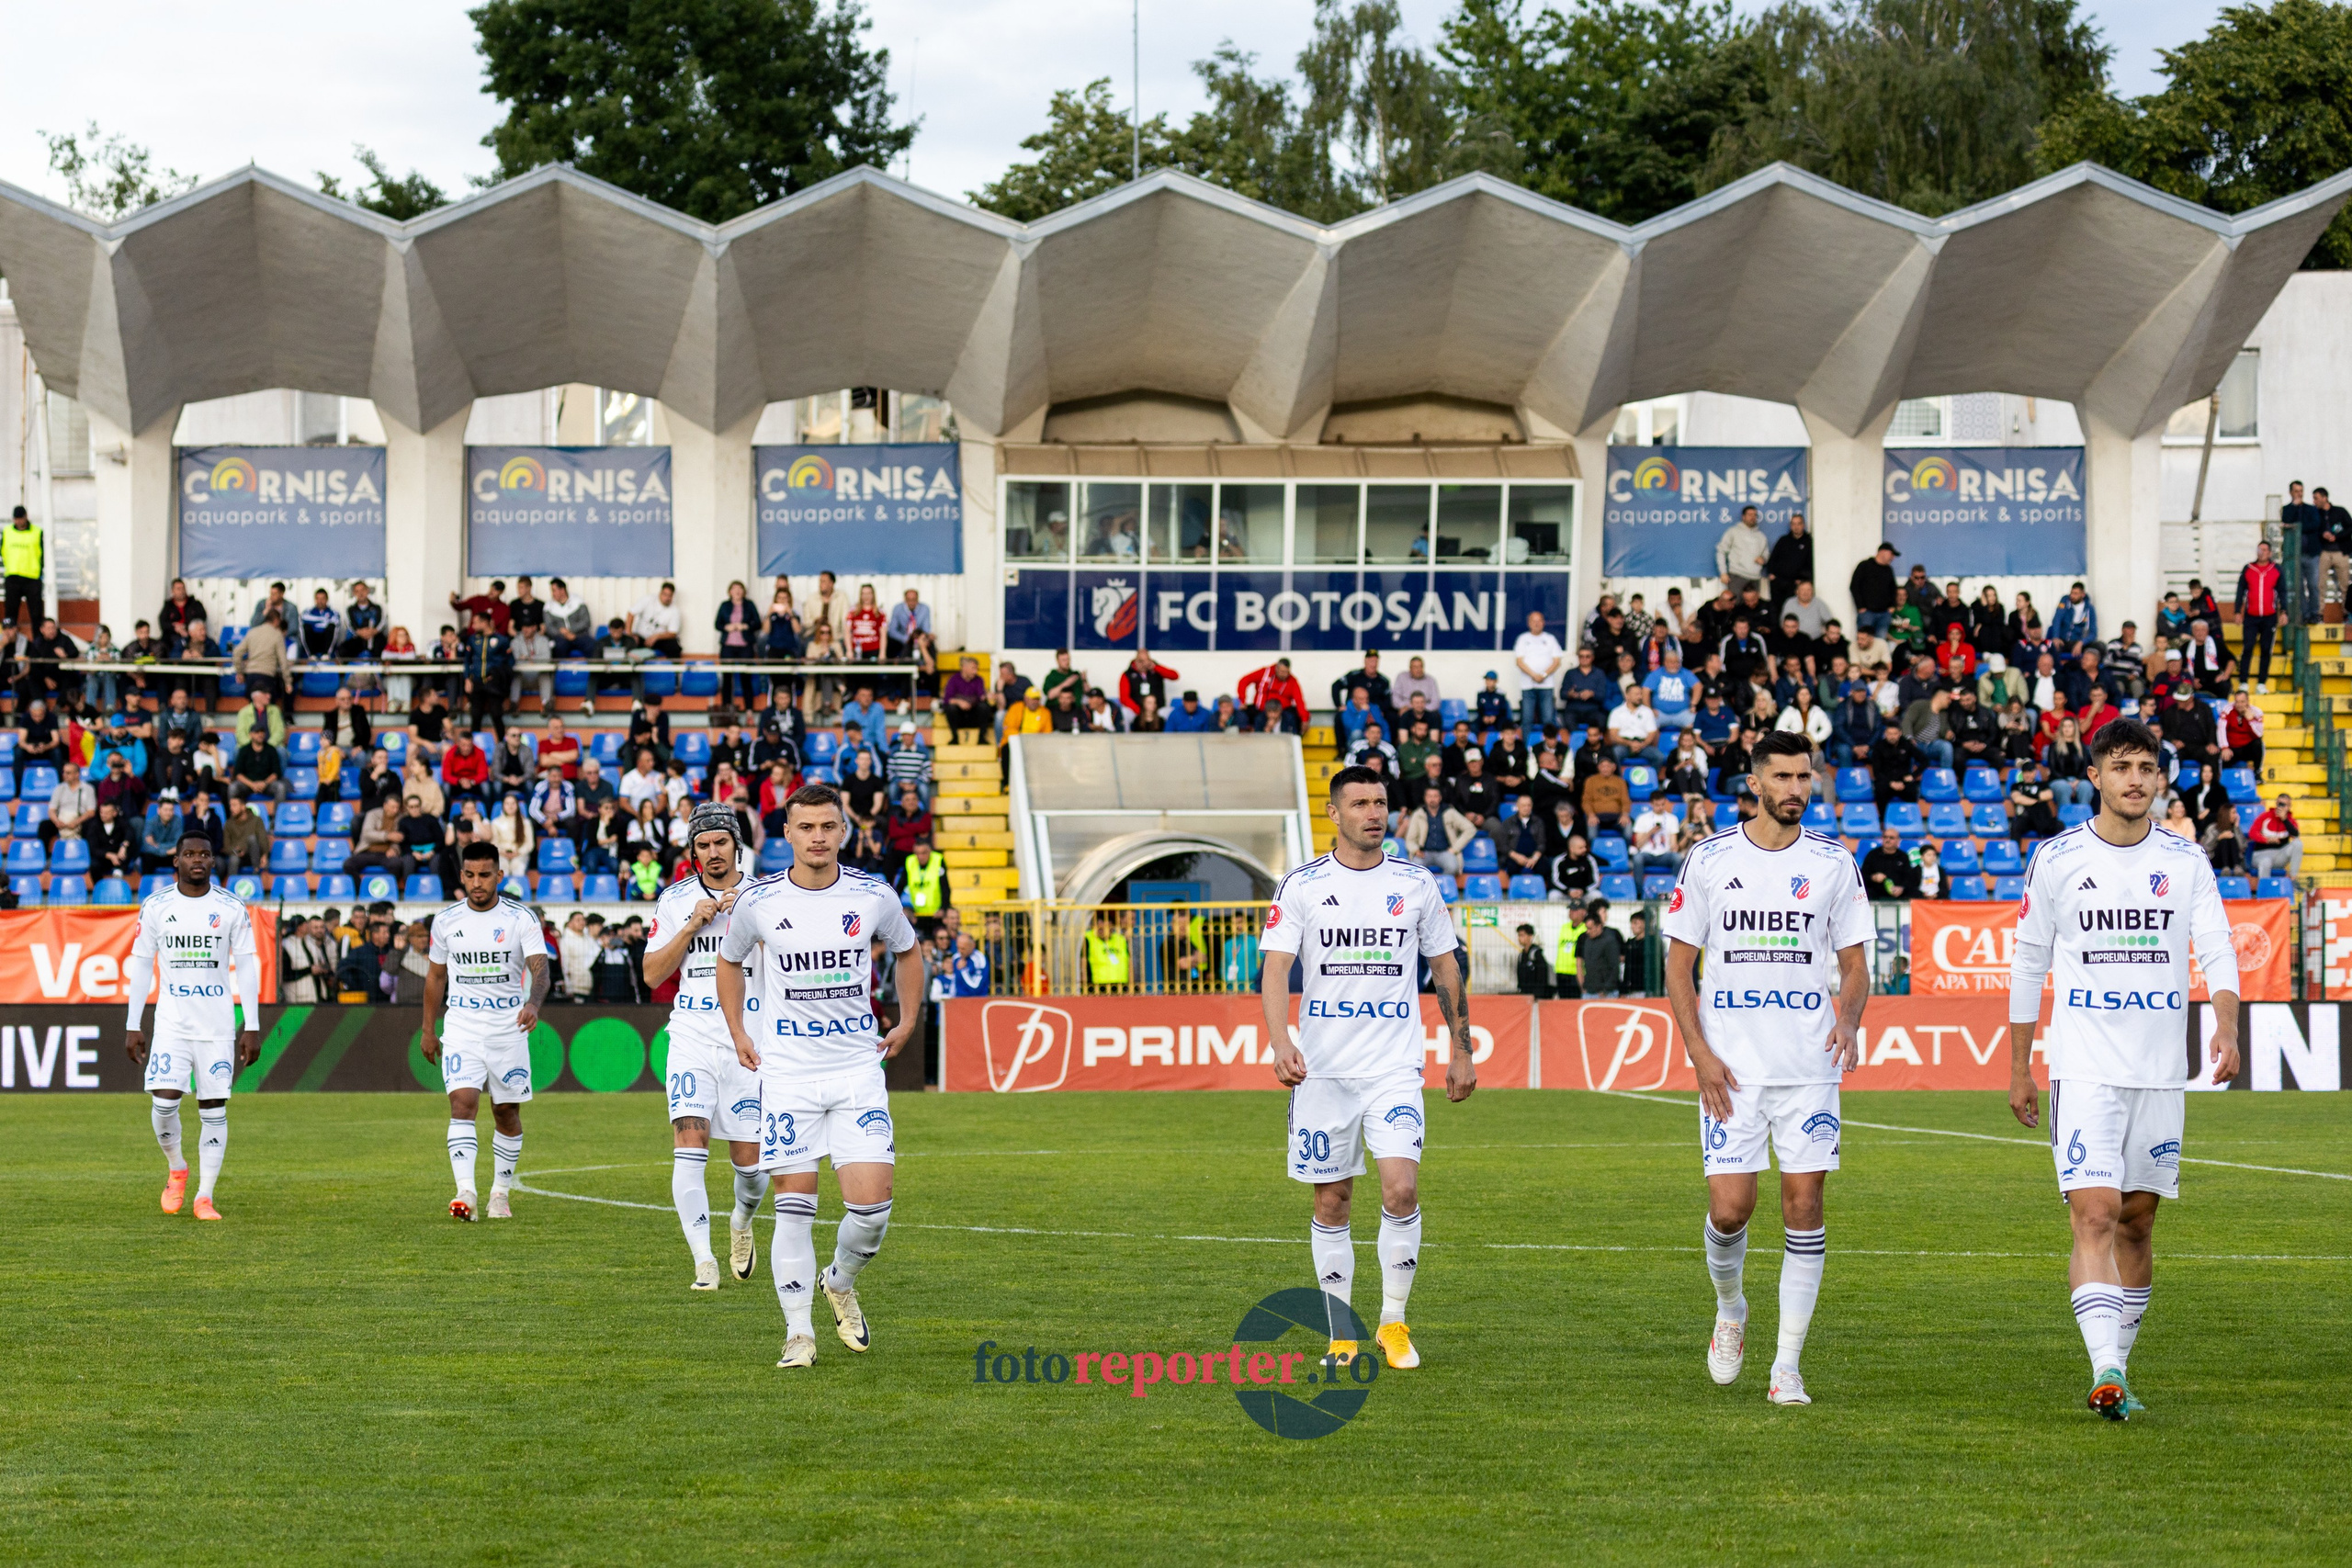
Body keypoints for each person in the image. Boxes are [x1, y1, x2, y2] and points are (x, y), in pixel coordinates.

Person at [2005, 716, 2242, 1420]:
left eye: (2146, 767)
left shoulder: (2187, 861)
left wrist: (2226, 1022)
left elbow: (2219, 950)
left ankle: (2120, 1371)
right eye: (2121, 766)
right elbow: (2028, 962)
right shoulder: (2057, 859)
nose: (2134, 778)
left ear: (2158, 777)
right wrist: (2020, 1067)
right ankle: (2105, 1367)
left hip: (2160, 1070)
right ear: (2097, 777)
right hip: (2083, 1066)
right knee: (2097, 1211)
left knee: (2138, 1221)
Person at [1661, 729, 1871, 1407]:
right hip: (1733, 1070)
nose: (1794, 790)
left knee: (1804, 1205)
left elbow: (1856, 963)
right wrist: (1699, 1054)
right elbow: (1677, 965)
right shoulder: (1710, 859)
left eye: (1804, 777)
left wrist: (1849, 1018)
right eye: (1781, 777)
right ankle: (1731, 1309)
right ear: (1755, 783)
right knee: (1730, 1209)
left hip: (1809, 1066)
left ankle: (1787, 1367)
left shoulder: (1836, 863)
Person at [1261, 765, 1474, 1374]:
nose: (1373, 812)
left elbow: (1446, 967)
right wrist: (1282, 1043)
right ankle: (1341, 1332)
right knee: (1333, 1199)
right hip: (1323, 1072)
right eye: (1359, 803)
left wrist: (1462, 1049)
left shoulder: (1415, 884)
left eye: (1380, 802)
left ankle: (1394, 1322)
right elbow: (1276, 971)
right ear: (1334, 813)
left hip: (1393, 1067)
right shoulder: (1302, 885)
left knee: (1401, 1188)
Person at [715, 783, 924, 1371]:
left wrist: (908, 1020)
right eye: (805, 828)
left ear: (842, 830)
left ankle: (840, 1279)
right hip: (788, 1075)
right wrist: (738, 1032)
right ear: (788, 834)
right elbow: (728, 963)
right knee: (794, 1207)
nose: (818, 837)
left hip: (857, 1069)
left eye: (828, 826)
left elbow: (908, 952)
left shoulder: (873, 894)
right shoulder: (759, 901)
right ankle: (798, 1334)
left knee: (872, 1210)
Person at [643, 803, 770, 1292]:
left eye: (721, 843)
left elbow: (787, 965)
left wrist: (750, 925)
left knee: (751, 1168)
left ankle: (741, 1220)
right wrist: (691, 925)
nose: (713, 853)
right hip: (692, 1038)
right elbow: (653, 973)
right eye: (703, 845)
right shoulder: (676, 900)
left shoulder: (767, 895)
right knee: (689, 1145)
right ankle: (704, 1261)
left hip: (750, 1043)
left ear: (736, 846)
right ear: (692, 852)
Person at [124, 829, 262, 1223]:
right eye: (189, 854)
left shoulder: (232, 907)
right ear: (177, 861)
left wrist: (250, 1024)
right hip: (171, 1024)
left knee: (212, 1108)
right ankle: (177, 1168)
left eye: (204, 854)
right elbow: (140, 965)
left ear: (213, 861)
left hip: (217, 1025)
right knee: (164, 1103)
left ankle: (205, 1195)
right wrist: (132, 1024)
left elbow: (248, 966)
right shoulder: (155, 906)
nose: (197, 860)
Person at [422, 840, 552, 1224]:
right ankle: (466, 1192)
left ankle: (499, 1192)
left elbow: (541, 970)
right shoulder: (446, 921)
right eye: (470, 875)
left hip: (507, 1029)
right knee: (462, 1103)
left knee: (505, 1111)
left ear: (499, 875)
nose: (477, 883)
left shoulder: (520, 918)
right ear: (461, 875)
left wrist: (533, 1003)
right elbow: (435, 976)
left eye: (484, 875)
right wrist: (428, 1029)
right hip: (462, 1026)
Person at [2233, 538, 2281, 686]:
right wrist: (2237, 611)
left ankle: (2261, 683)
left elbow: (2283, 592)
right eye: (2260, 550)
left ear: (2270, 552)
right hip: (2251, 616)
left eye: (2265, 550)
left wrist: (2284, 611)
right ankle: (2243, 681)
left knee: (2266, 649)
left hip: (2269, 617)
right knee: (2248, 647)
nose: (2262, 553)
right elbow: (2240, 591)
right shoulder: (2248, 568)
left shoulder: (2276, 569)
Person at [1511, 610, 1563, 731]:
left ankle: (1548, 748)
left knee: (1548, 719)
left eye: (1539, 620)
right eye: (1533, 621)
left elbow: (1557, 661)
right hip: (1528, 686)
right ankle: (1526, 748)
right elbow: (1519, 662)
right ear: (1528, 623)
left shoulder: (1550, 639)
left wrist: (1543, 675)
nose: (1536, 623)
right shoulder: (1523, 639)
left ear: (1543, 623)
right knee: (1527, 719)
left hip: (1546, 686)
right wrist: (1534, 675)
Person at [1716, 504, 1768, 596]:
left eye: (1755, 515)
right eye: (1750, 515)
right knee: (1735, 606)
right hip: (1737, 575)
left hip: (1755, 577)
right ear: (1743, 517)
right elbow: (1721, 551)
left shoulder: (1761, 536)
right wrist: (1723, 573)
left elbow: (1766, 555)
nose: (1753, 517)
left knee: (1753, 607)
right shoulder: (1733, 532)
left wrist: (1763, 559)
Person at [2247, 794, 2301, 881]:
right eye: (2279, 803)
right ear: (2276, 803)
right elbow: (2252, 833)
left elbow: (2295, 835)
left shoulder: (2290, 820)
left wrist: (2285, 820)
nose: (2281, 807)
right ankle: (2264, 891)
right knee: (2266, 861)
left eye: (2284, 805)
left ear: (2289, 807)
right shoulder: (2265, 817)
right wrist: (2266, 840)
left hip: (2278, 855)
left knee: (2298, 843)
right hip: (2261, 854)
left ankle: (2293, 878)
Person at [1575, 902, 1623, 999]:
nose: (1588, 931)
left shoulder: (1610, 940)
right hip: (1589, 990)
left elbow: (1615, 967)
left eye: (1590, 928)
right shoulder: (1586, 940)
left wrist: (1606, 989)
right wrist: (1583, 986)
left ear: (1599, 926)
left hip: (1606, 993)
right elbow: (1580, 964)